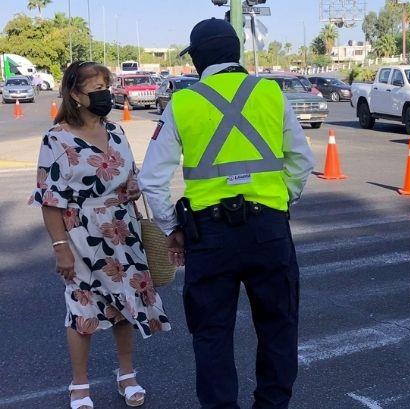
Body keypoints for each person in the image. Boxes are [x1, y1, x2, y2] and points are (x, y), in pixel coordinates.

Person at [139, 18, 314, 409]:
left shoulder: (183, 102)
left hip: (208, 235)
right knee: (278, 327)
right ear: (234, 52)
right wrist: (278, 202)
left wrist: (173, 227)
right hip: (268, 231)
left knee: (212, 334)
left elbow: (151, 178)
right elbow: (301, 162)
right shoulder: (271, 93)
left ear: (199, 58)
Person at [31, 61, 171, 409]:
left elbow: (127, 176)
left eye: (106, 87)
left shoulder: (116, 132)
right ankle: (79, 385)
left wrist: (133, 188)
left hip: (124, 231)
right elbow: (49, 200)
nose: (105, 95)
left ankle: (127, 374)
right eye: (96, 89)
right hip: (81, 236)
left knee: (126, 305)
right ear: (75, 95)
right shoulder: (56, 139)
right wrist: (60, 247)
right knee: (82, 310)